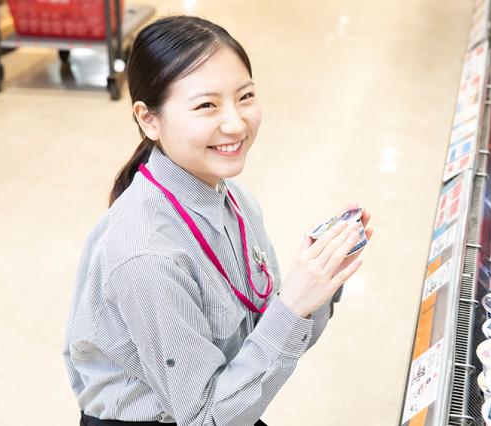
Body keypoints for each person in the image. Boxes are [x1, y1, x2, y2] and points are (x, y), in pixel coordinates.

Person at [62, 16, 373, 426]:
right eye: (206, 105)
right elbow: (205, 417)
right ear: (148, 119)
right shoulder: (148, 257)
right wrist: (294, 304)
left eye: (245, 96)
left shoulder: (232, 197)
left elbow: (260, 341)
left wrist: (316, 282)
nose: (236, 123)